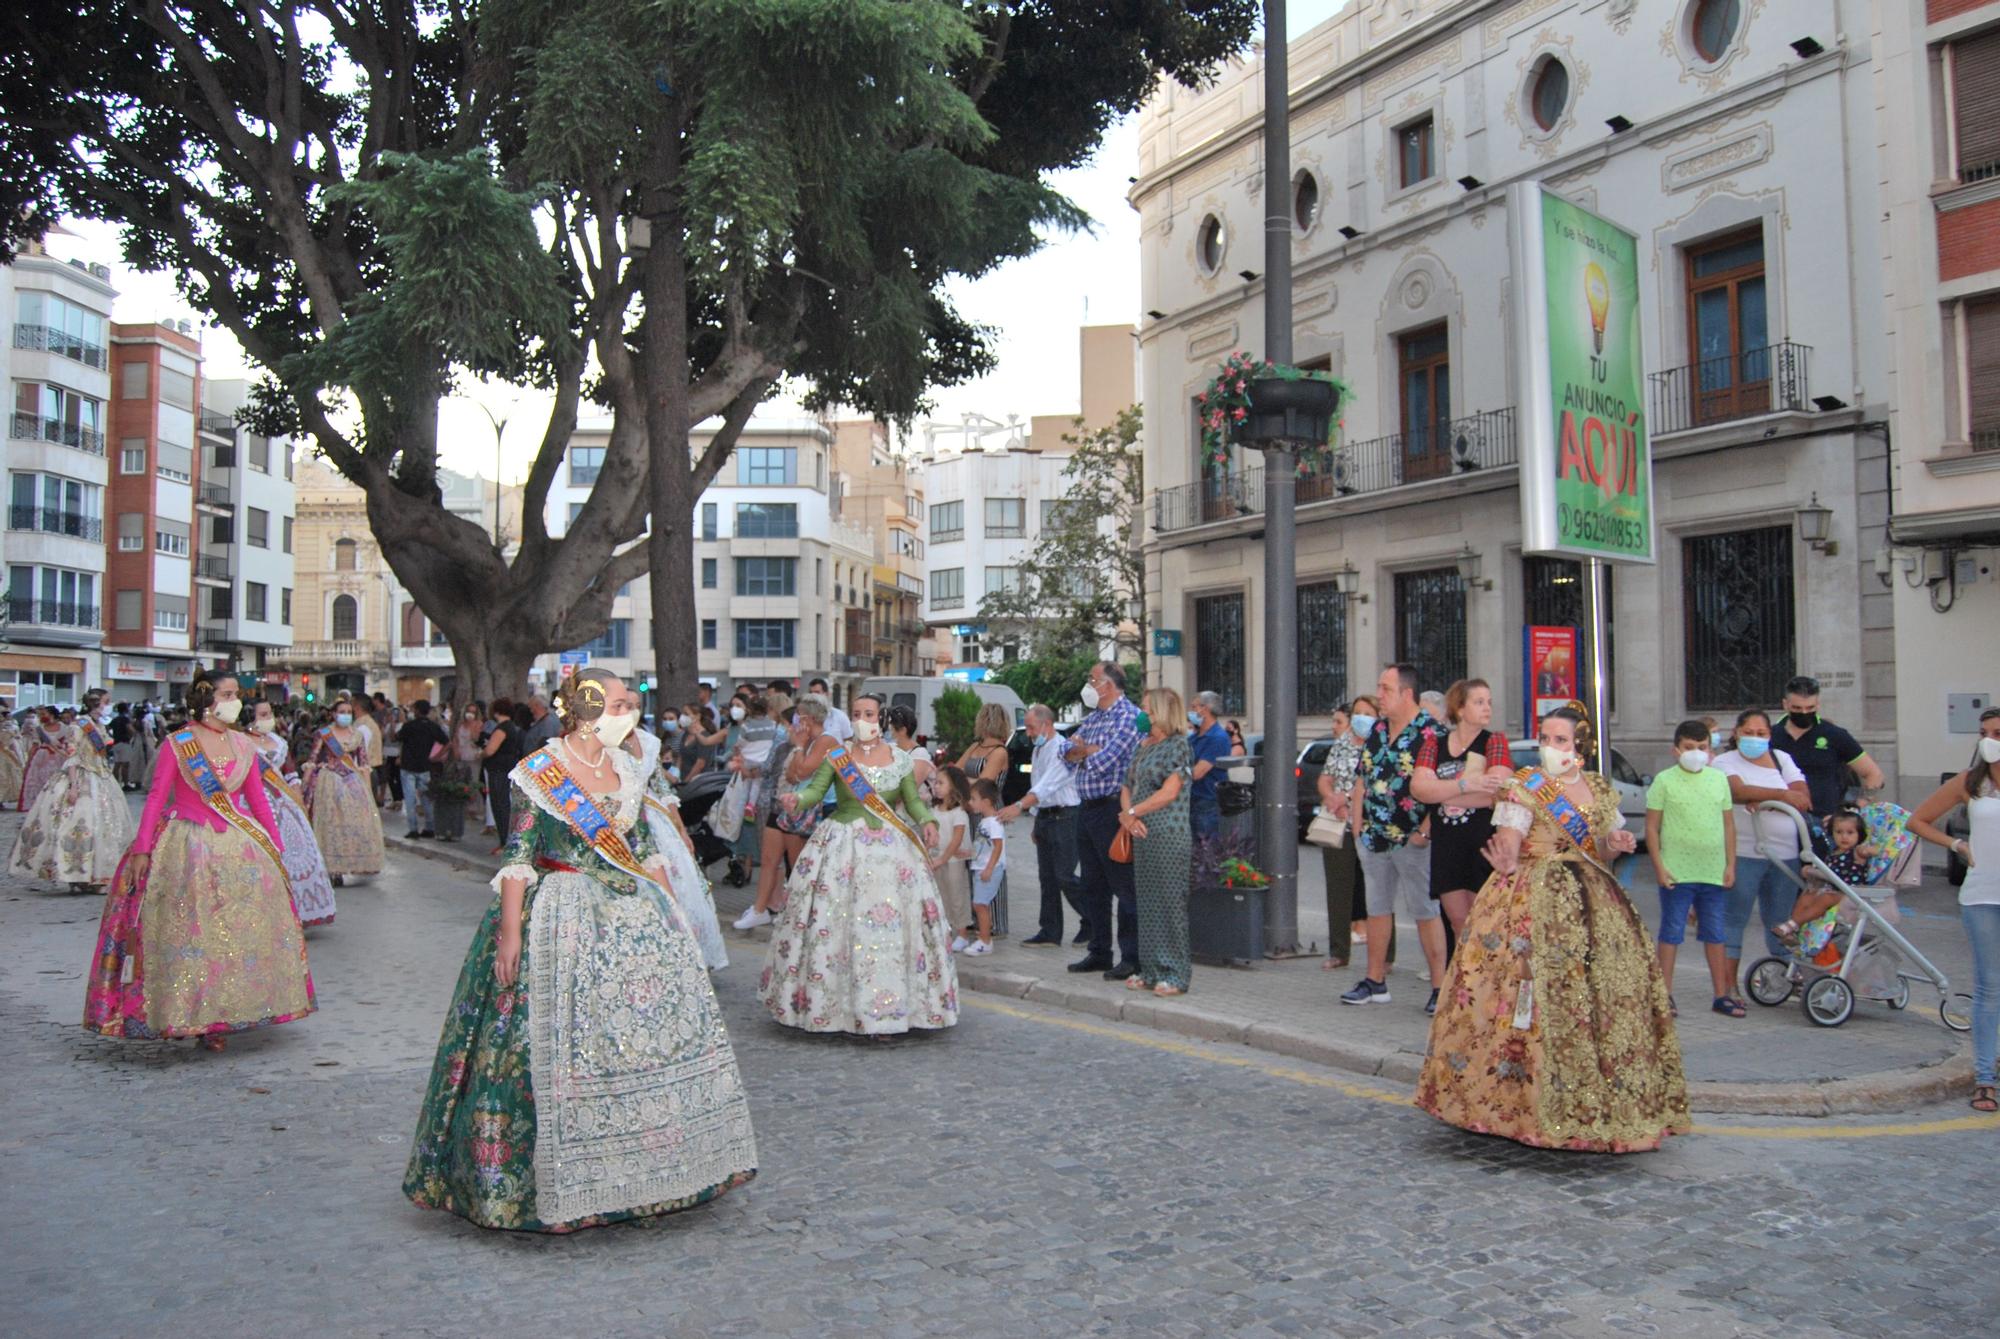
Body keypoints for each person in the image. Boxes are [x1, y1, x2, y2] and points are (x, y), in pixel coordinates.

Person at [403, 668, 758, 1231]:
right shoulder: (539, 773)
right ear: (589, 708)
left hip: (634, 915)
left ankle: (649, 1171)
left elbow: (642, 851)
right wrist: (511, 934)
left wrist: (679, 919)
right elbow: (517, 857)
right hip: (560, 914)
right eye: (620, 703)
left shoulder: (625, 769)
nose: (631, 713)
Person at [1417, 704, 1690, 1152]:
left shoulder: (1600, 791)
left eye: (1559, 740)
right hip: (1530, 899)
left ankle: (1597, 1107)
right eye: (1545, 738)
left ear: (1580, 747)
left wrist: (1615, 843)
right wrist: (1506, 856)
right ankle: (1516, 1107)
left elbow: (1600, 847)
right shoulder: (1526, 787)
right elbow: (1510, 838)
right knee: (1526, 997)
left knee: (1597, 1000)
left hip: (1593, 904)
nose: (1548, 747)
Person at [83, 673, 314, 1051]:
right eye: (228, 694)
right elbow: (157, 796)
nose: (235, 701)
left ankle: (228, 1011)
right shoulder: (180, 744)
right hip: (186, 846)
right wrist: (142, 849)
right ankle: (192, 1013)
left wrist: (276, 849)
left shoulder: (242, 744)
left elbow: (257, 800)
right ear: (208, 701)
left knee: (235, 935)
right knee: (190, 934)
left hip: (240, 849)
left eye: (236, 695)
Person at [764, 694, 957, 1034]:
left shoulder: (899, 758)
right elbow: (817, 791)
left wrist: (927, 820)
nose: (861, 719)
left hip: (892, 851)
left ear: (880, 718)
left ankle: (895, 1008)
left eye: (868, 713)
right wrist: (798, 799)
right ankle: (834, 1006)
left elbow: (911, 801)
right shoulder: (838, 756)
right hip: (842, 845)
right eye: (855, 713)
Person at [1906, 706, 2000, 1113]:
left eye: (1995, 732)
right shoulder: (1971, 781)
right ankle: (1985, 1078)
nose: (1988, 739)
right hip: (1981, 896)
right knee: (1989, 988)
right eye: (1984, 732)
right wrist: (1956, 846)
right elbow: (1918, 820)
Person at [1343, 664, 1447, 1013]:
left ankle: (1439, 988)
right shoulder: (1377, 730)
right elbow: (1363, 778)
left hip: (1413, 837)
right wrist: (1358, 827)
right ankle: (1375, 981)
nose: (1380, 695)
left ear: (1406, 693)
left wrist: (1424, 832)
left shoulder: (1432, 733)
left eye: (1386, 689)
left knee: (1424, 911)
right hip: (1374, 837)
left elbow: (1444, 788)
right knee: (1376, 909)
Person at [1711, 708, 1811, 1010]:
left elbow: (1803, 798)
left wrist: (1762, 798)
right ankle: (1728, 987)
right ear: (1736, 734)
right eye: (1749, 732)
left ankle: (1786, 978)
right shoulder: (1724, 761)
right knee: (1734, 919)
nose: (1755, 738)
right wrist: (1779, 797)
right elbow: (1737, 791)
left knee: (1781, 922)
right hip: (1743, 853)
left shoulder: (1781, 759)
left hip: (1786, 855)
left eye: (1761, 733)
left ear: (1770, 736)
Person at [1644, 719, 1737, 1017]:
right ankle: (1664, 994)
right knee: (1671, 931)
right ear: (1676, 750)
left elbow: (1728, 825)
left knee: (1715, 932)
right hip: (1676, 871)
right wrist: (1659, 866)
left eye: (1702, 748)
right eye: (1689, 748)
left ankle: (1721, 995)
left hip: (1712, 870)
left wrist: (1730, 864)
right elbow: (1652, 827)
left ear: (1710, 750)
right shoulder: (1664, 781)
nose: (1696, 753)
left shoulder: (1718, 780)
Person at [1410, 679, 1511, 941]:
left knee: (1485, 922)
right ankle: (1463, 979)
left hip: (1483, 843)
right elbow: (1419, 788)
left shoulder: (1494, 741)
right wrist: (1467, 784)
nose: (1487, 708)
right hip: (1447, 845)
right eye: (1479, 702)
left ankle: (1486, 980)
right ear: (1460, 708)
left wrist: (1443, 792)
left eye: (1489, 702)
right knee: (1458, 924)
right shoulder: (1435, 744)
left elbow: (1496, 792)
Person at [9, 689, 132, 893]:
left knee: (103, 827)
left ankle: (94, 875)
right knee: (79, 825)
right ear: (96, 704)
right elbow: (72, 757)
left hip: (101, 777)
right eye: (106, 702)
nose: (108, 705)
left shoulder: (98, 724)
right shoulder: (79, 726)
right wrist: (74, 787)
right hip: (82, 777)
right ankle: (78, 876)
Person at [629, 722, 729, 970]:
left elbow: (662, 789)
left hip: (653, 818)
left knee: (679, 883)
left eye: (631, 706)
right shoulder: (601, 742)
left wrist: (682, 830)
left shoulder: (647, 743)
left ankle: (684, 950)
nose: (627, 712)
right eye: (620, 705)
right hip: (621, 821)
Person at [1066, 662, 1144, 979]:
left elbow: (1104, 761)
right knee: (1092, 887)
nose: (1089, 684)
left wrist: (1085, 751)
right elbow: (1066, 752)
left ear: (1108, 685)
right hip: (1087, 809)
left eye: (1092, 678)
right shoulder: (1095, 717)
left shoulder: (1129, 717)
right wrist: (1085, 750)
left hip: (1113, 810)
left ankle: (1131, 957)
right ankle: (1099, 951)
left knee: (1123, 885)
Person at [1121, 687, 1193, 998]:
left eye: (1147, 710)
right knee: (1147, 904)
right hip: (1141, 832)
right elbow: (1128, 784)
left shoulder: (1179, 746)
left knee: (1169, 904)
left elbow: (1170, 791)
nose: (1141, 715)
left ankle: (1175, 973)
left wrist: (1133, 812)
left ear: (1162, 712)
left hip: (1168, 833)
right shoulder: (1143, 746)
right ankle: (1150, 969)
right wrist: (1128, 815)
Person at [997, 703, 1083, 948]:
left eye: (1032, 728)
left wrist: (1019, 807)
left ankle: (1093, 919)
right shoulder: (1039, 750)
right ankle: (1050, 931)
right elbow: (1038, 785)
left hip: (1066, 817)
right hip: (1046, 816)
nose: (1030, 734)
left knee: (1065, 875)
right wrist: (1035, 819)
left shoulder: (1062, 750)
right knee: (1047, 878)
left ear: (1047, 724)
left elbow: (1047, 785)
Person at [247, 697, 337, 928]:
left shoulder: (278, 741)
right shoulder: (241, 743)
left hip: (283, 802)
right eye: (262, 715)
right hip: (253, 803)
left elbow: (289, 770)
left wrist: (297, 797)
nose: (268, 719)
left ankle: (300, 909)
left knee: (299, 852)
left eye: (269, 714)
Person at [1317, 697, 1391, 972]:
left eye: (1367, 713)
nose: (1361, 718)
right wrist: (1331, 797)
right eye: (1357, 713)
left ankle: (1385, 955)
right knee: (1338, 889)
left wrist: (1346, 796)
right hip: (1340, 826)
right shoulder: (1343, 743)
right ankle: (1339, 952)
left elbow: (1380, 784)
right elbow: (1325, 778)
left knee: (1377, 891)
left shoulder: (1384, 744)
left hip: (1373, 825)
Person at [1771, 675, 1884, 818]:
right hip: (1778, 818)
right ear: (1785, 704)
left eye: (1810, 707)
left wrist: (1854, 810)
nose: (1804, 713)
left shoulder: (1834, 734)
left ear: (1818, 704)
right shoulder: (1770, 735)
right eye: (1797, 708)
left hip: (1825, 821)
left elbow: (1874, 774)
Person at [305, 697, 386, 883]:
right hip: (329, 781)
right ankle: (332, 869)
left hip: (351, 781)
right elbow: (313, 759)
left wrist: (367, 792)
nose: (346, 716)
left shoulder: (357, 735)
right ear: (333, 714)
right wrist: (304, 786)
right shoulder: (324, 733)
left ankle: (351, 864)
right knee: (331, 823)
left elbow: (364, 763)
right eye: (342, 712)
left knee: (353, 823)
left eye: (349, 712)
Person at [1774, 810, 1876, 955]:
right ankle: (1794, 929)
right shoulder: (1833, 853)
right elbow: (1825, 873)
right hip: (1831, 889)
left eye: (1850, 832)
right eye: (1839, 832)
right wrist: (1811, 871)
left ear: (1859, 834)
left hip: (1851, 893)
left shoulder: (1856, 852)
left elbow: (1867, 852)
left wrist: (1869, 850)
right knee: (1807, 895)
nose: (1844, 837)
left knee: (1825, 898)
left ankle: (1793, 924)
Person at [929, 764, 976, 952]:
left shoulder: (959, 814)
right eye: (935, 782)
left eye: (941, 783)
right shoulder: (933, 811)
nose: (936, 786)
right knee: (941, 896)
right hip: (936, 859)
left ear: (954, 787)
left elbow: (956, 839)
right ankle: (945, 931)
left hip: (953, 861)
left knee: (957, 896)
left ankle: (963, 934)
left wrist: (943, 858)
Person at [962, 778, 1007, 956]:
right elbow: (983, 845)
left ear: (986, 802)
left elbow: (998, 846)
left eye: (973, 799)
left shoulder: (993, 822)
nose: (970, 803)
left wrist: (989, 868)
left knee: (980, 904)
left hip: (989, 869)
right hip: (981, 867)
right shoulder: (985, 821)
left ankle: (985, 941)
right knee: (980, 904)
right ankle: (984, 938)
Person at [396, 699, 449, 839]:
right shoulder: (432, 726)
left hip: (408, 766)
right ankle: (430, 827)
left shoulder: (409, 726)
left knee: (410, 799)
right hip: (425, 766)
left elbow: (397, 738)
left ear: (417, 710)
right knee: (426, 798)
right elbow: (447, 742)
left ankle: (413, 829)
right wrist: (436, 757)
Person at [1186, 690, 1232, 841]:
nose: (1191, 711)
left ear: (1204, 709)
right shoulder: (1193, 738)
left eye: (1194, 707)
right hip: (1191, 800)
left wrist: (1173, 775)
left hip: (1207, 803)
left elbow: (1198, 772)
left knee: (1206, 854)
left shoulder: (1218, 738)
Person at [19, 705, 70, 812]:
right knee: (39, 782)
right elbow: (35, 745)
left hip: (60, 757)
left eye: (43, 714)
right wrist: (28, 763)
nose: (41, 717)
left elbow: (69, 743)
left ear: (52, 715)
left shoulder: (65, 728)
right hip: (42, 758)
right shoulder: (39, 729)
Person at [958, 703, 1011, 790]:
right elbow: (955, 771)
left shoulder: (999, 752)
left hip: (987, 802)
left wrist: (959, 779)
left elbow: (982, 784)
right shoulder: (975, 746)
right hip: (968, 800)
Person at [808, 677, 854, 742]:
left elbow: (848, 743)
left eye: (817, 692)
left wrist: (834, 752)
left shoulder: (839, 716)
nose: (813, 696)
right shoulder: (806, 718)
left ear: (826, 694)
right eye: (811, 693)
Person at [0, 714, 26, 806]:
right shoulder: (7, 730)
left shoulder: (8, 729)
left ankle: (3, 799)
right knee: (4, 777)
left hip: (7, 753)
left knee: (6, 777)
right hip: (5, 753)